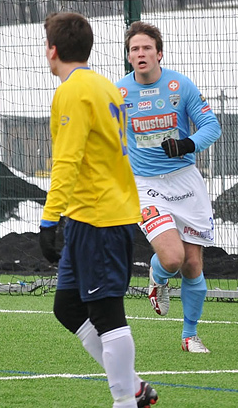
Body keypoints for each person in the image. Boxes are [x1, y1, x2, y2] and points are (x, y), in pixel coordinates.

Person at [39, 12, 157, 408]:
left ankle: (125, 400)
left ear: (53, 50)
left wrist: (48, 217)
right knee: (68, 306)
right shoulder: (104, 85)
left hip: (98, 217)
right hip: (92, 216)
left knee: (107, 314)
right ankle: (134, 387)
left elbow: (67, 161)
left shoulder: (73, 92)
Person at [117, 21, 221, 353]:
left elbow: (211, 125)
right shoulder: (117, 94)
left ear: (159, 53)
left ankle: (189, 336)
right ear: (129, 57)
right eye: (135, 49)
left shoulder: (180, 85)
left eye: (147, 47)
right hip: (145, 185)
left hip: (186, 183)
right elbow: (107, 139)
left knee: (193, 264)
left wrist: (186, 145)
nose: (141, 53)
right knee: (173, 258)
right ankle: (158, 276)